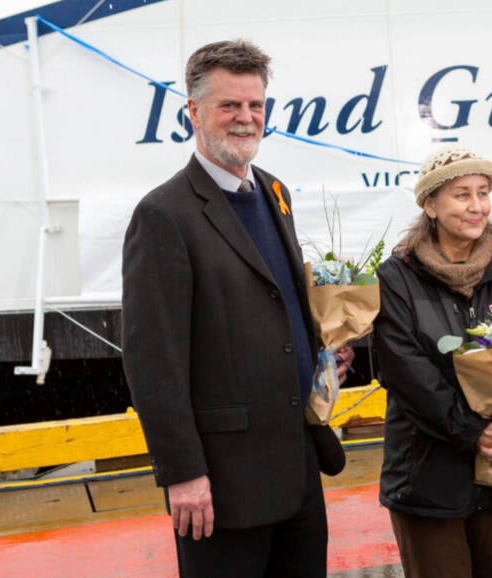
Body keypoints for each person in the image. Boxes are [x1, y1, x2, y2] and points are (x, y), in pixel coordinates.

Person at [121, 39, 342, 578]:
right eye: (229, 106)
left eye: (256, 106)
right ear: (193, 112)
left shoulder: (274, 192)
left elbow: (276, 305)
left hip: (297, 472)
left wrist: (323, 349)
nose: (246, 119)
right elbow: (154, 363)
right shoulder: (163, 215)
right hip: (222, 487)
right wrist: (183, 474)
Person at [373, 145, 492, 578]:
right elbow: (406, 374)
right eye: (461, 194)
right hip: (428, 479)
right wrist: (477, 433)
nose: (476, 207)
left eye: (482, 192)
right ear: (429, 204)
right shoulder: (396, 277)